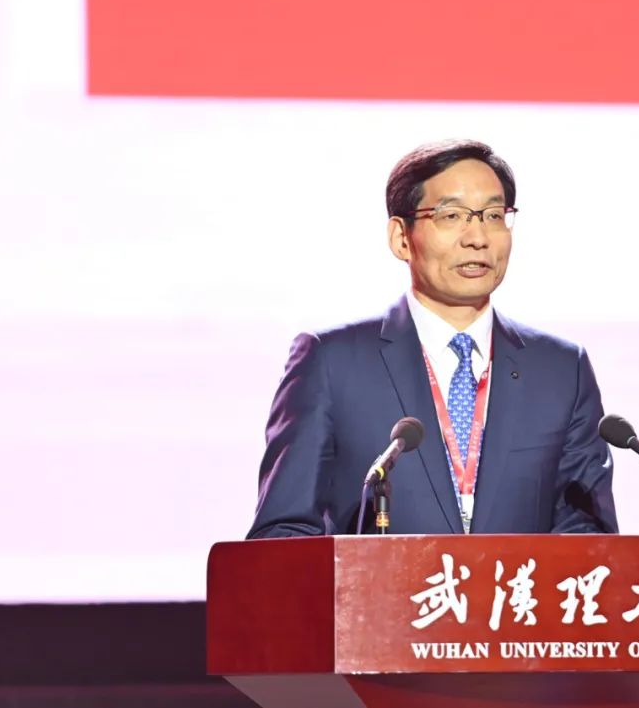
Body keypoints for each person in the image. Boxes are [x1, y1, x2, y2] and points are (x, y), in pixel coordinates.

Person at [248, 140, 617, 537]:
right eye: (452, 215)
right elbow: (282, 532)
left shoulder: (562, 370)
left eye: (494, 215)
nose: (478, 238)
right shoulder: (331, 363)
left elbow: (589, 536)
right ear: (401, 238)